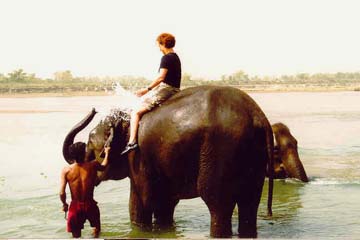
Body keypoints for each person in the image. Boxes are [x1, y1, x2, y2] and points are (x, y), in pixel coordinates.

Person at [121, 32, 182, 155]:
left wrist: (147, 89)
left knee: (136, 112)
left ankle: (132, 142)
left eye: (159, 45)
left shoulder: (166, 58)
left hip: (167, 89)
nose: (159, 48)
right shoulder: (176, 57)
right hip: (174, 88)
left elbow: (161, 78)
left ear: (162, 44)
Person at [59, 142, 110, 238]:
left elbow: (62, 192)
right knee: (96, 230)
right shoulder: (93, 165)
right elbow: (103, 166)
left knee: (76, 236)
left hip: (75, 207)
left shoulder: (66, 170)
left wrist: (64, 204)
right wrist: (107, 153)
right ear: (84, 153)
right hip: (90, 205)